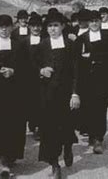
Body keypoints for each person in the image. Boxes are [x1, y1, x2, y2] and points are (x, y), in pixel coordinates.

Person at [32, 11, 80, 179]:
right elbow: (32, 66)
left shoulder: (70, 44)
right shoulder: (42, 45)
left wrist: (75, 94)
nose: (53, 29)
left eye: (56, 26)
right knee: (49, 129)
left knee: (66, 125)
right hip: (47, 94)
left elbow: (76, 71)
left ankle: (68, 147)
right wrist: (41, 70)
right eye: (50, 26)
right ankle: (54, 164)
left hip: (66, 93)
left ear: (62, 27)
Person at [0, 14, 27, 178]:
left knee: (14, 124)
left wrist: (13, 71)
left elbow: (26, 67)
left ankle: (11, 156)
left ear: (11, 28)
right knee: (0, 125)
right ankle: (3, 161)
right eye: (0, 26)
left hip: (15, 91)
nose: (3, 29)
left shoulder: (19, 45)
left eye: (6, 27)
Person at [75, 11, 108, 154]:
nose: (94, 23)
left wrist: (93, 56)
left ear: (100, 22)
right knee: (88, 107)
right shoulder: (81, 38)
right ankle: (91, 134)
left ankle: (98, 138)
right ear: (88, 23)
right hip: (86, 80)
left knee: (101, 108)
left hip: (104, 79)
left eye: (96, 21)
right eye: (91, 21)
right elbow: (76, 60)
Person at [23, 14, 44, 140]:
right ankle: (33, 124)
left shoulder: (46, 40)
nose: (36, 28)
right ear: (29, 27)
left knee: (42, 101)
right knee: (31, 102)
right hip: (29, 77)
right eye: (33, 26)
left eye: (38, 26)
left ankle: (40, 127)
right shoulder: (24, 42)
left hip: (43, 76)